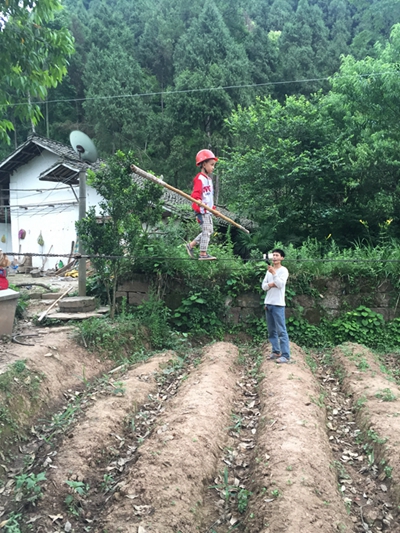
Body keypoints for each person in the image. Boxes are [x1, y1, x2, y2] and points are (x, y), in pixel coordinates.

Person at [186, 149, 218, 261]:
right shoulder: (199, 178)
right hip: (201, 210)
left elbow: (209, 198)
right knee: (206, 230)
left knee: (209, 231)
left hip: (208, 210)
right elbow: (196, 194)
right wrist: (198, 200)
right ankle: (203, 253)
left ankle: (191, 245)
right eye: (211, 165)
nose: (213, 167)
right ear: (204, 164)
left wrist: (213, 209)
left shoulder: (209, 180)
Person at [261, 248, 290, 363]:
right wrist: (271, 284)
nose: (274, 257)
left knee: (281, 331)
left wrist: (274, 273)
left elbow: (280, 284)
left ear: (282, 258)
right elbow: (263, 286)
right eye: (273, 255)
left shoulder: (283, 270)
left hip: (278, 304)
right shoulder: (268, 271)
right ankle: (276, 351)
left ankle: (285, 355)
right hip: (268, 303)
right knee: (271, 330)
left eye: (277, 255)